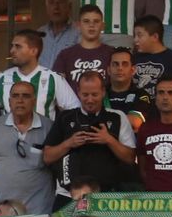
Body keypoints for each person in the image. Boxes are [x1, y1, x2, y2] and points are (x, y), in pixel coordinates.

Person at [43, 72, 138, 205]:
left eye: (94, 94)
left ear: (103, 92)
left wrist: (109, 140)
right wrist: (69, 143)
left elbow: (130, 158)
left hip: (107, 196)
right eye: (85, 95)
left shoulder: (117, 117)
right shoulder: (65, 117)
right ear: (78, 92)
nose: (90, 99)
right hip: (68, 195)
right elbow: (47, 157)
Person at [0, 80, 58, 216]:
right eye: (15, 96)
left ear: (34, 101)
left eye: (26, 96)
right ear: (9, 101)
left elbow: (56, 168)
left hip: (38, 214)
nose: (20, 100)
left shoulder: (50, 127)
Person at [0, 29, 78, 128]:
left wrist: (60, 137)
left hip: (44, 140)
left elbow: (75, 110)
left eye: (18, 46)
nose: (12, 51)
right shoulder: (2, 78)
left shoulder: (53, 78)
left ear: (33, 51)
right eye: (12, 46)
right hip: (10, 141)